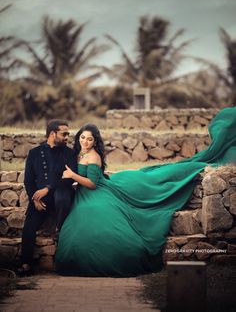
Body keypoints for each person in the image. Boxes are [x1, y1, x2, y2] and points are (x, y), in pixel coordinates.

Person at [55, 107, 236, 277]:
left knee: (105, 222)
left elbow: (92, 184)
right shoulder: (80, 152)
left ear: (95, 142)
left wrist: (72, 175)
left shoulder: (93, 156)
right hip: (84, 195)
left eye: (90, 139)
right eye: (82, 138)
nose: (85, 142)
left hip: (94, 192)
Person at [17, 119, 77, 277]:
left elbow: (69, 179)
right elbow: (28, 181)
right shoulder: (34, 153)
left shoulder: (69, 153)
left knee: (62, 194)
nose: (67, 137)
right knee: (29, 224)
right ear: (52, 134)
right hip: (41, 200)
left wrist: (48, 188)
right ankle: (26, 264)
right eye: (64, 134)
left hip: (61, 195)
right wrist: (34, 199)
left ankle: (60, 230)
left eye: (68, 134)